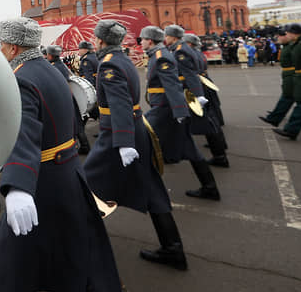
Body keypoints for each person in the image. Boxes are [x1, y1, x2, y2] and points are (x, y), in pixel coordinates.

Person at [0, 17, 122, 292]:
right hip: (66, 173)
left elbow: (23, 131)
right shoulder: (50, 70)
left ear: (11, 48)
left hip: (40, 182)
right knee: (76, 249)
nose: (0, 50)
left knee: (11, 264)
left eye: (1, 45)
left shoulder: (20, 78)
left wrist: (18, 185)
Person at [84, 21, 188, 271]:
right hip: (132, 130)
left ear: (100, 40)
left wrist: (122, 142)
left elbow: (119, 103)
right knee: (151, 190)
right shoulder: (121, 59)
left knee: (84, 183)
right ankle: (173, 249)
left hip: (117, 136)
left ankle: (80, 245)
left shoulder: (108, 63)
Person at [143, 26, 220, 200]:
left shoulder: (161, 57)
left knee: (143, 140)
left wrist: (180, 112)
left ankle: (147, 191)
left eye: (142, 39)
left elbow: (172, 86)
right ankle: (210, 187)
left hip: (164, 110)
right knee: (190, 150)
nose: (140, 42)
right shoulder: (159, 55)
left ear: (150, 40)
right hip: (166, 109)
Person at [183, 33, 230, 168]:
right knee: (212, 115)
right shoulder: (197, 53)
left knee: (206, 119)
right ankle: (220, 147)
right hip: (204, 82)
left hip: (198, 85)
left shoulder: (189, 53)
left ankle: (219, 154)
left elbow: (190, 73)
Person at [259, 29, 297, 127]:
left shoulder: (293, 47)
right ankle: (275, 117)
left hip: (294, 75)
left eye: (280, 36)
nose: (278, 38)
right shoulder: (287, 46)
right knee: (299, 101)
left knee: (291, 99)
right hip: (290, 75)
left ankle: (276, 119)